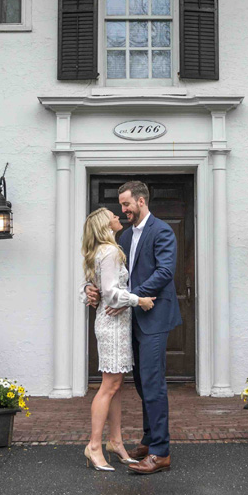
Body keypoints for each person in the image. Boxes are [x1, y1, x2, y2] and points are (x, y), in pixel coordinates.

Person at [85, 180, 180, 475]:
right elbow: (109, 276)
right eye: (121, 205)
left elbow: (165, 271)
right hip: (131, 321)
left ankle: (161, 452)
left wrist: (131, 299)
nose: (122, 209)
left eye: (126, 204)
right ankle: (150, 440)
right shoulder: (123, 238)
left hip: (154, 317)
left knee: (153, 383)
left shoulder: (162, 230)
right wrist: (91, 287)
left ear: (141, 201)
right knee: (140, 383)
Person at [79, 207, 154, 472]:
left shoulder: (103, 250)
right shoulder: (109, 251)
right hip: (112, 323)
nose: (117, 217)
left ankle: (116, 442)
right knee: (109, 385)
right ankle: (94, 446)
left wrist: (89, 291)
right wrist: (138, 300)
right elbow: (110, 294)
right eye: (113, 216)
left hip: (116, 323)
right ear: (104, 225)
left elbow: (94, 286)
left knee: (117, 384)